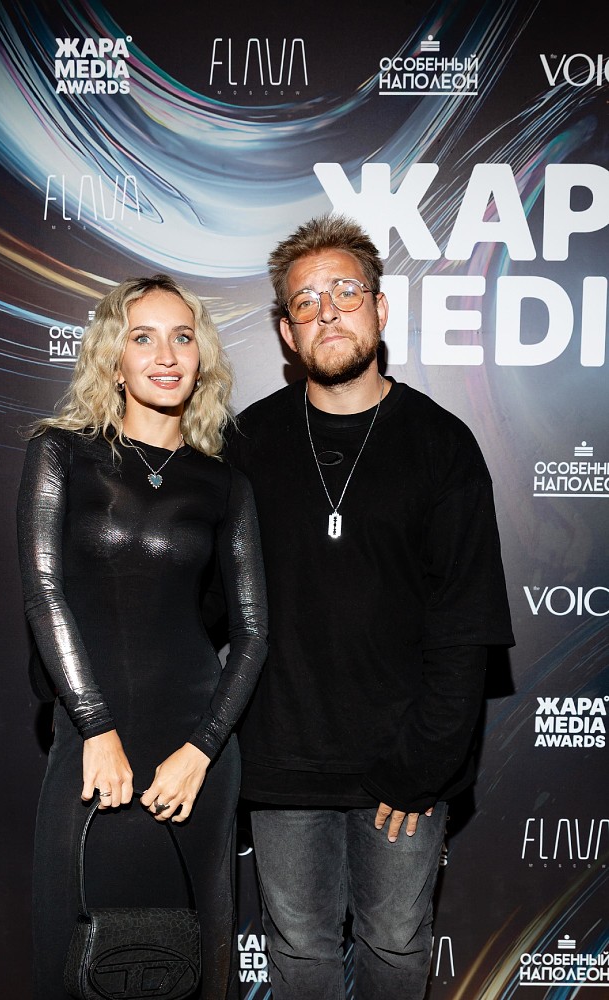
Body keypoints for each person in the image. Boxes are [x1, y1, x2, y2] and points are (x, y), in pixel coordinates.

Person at [225, 215, 514, 1000]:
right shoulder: (245, 444)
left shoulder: (441, 445)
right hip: (281, 763)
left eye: (345, 292)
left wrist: (420, 769)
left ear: (379, 310)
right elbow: (205, 596)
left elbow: (465, 628)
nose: (327, 312)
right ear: (286, 333)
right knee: (298, 951)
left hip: (404, 766)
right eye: (305, 301)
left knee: (393, 943)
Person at [17, 274, 268, 1000]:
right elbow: (44, 595)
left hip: (196, 753)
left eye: (182, 338)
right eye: (143, 337)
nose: (166, 355)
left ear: (201, 356)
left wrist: (202, 750)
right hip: (92, 742)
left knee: (193, 965)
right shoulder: (63, 455)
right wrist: (96, 727)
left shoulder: (224, 485)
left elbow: (252, 632)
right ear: (114, 358)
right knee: (75, 963)